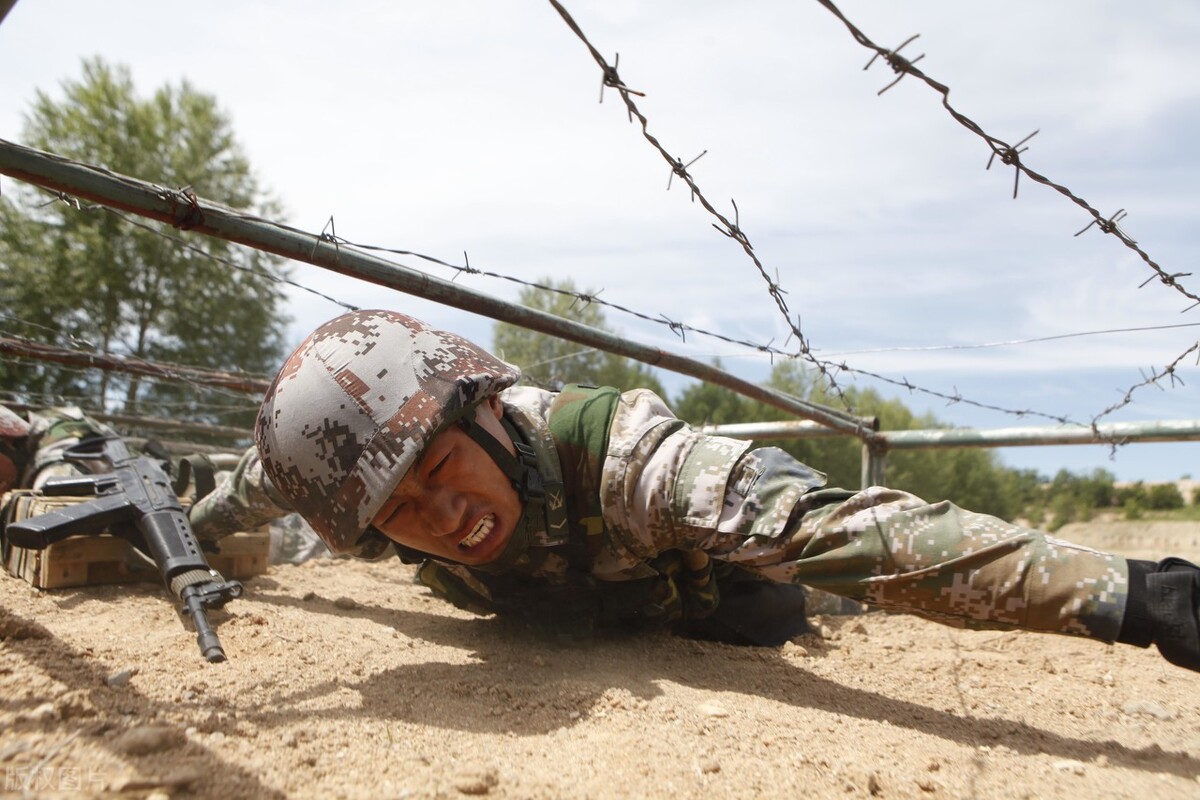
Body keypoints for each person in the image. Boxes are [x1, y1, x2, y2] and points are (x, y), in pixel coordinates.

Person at [192, 309, 1199, 670]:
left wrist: (1144, 598)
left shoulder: (630, 462)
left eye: (440, 468)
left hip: (739, 602)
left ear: (485, 408)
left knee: (818, 589)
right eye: (399, 510)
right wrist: (194, 537)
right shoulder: (350, 494)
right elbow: (260, 484)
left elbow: (850, 532)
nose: (440, 517)